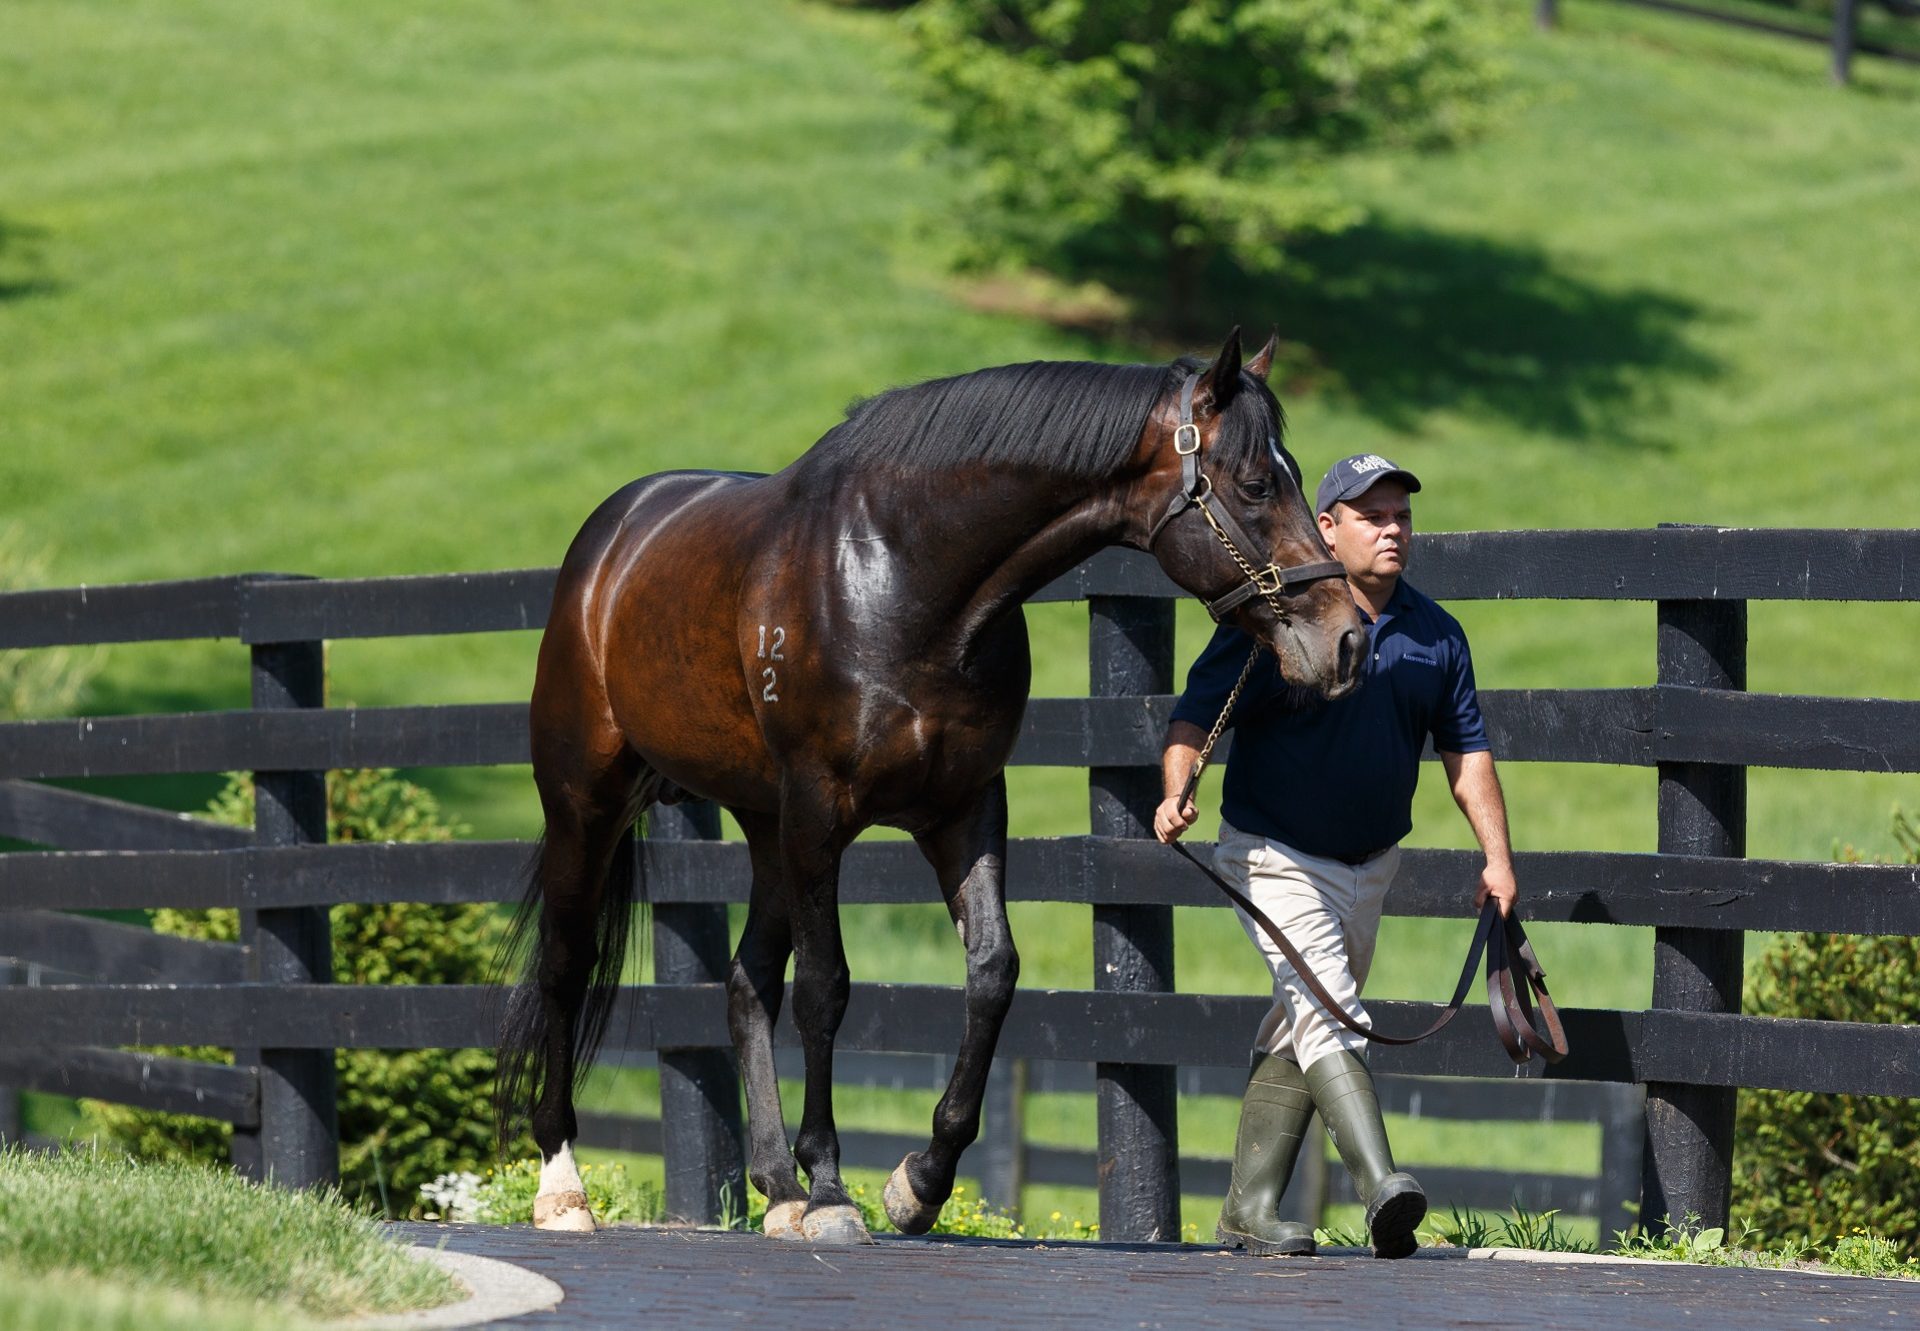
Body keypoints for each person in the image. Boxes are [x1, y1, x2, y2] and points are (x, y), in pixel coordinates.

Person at [1153, 453, 1518, 1260]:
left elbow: (1469, 761)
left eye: (1401, 517)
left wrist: (1498, 860)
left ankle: (1247, 1209)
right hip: (1274, 853)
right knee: (1331, 1009)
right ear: (1326, 527)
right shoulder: (1274, 623)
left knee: (1301, 1020)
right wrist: (1177, 788)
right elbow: (1193, 718)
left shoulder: (1436, 634)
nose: (1392, 529)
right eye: (1372, 516)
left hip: (1370, 865)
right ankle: (1383, 1183)